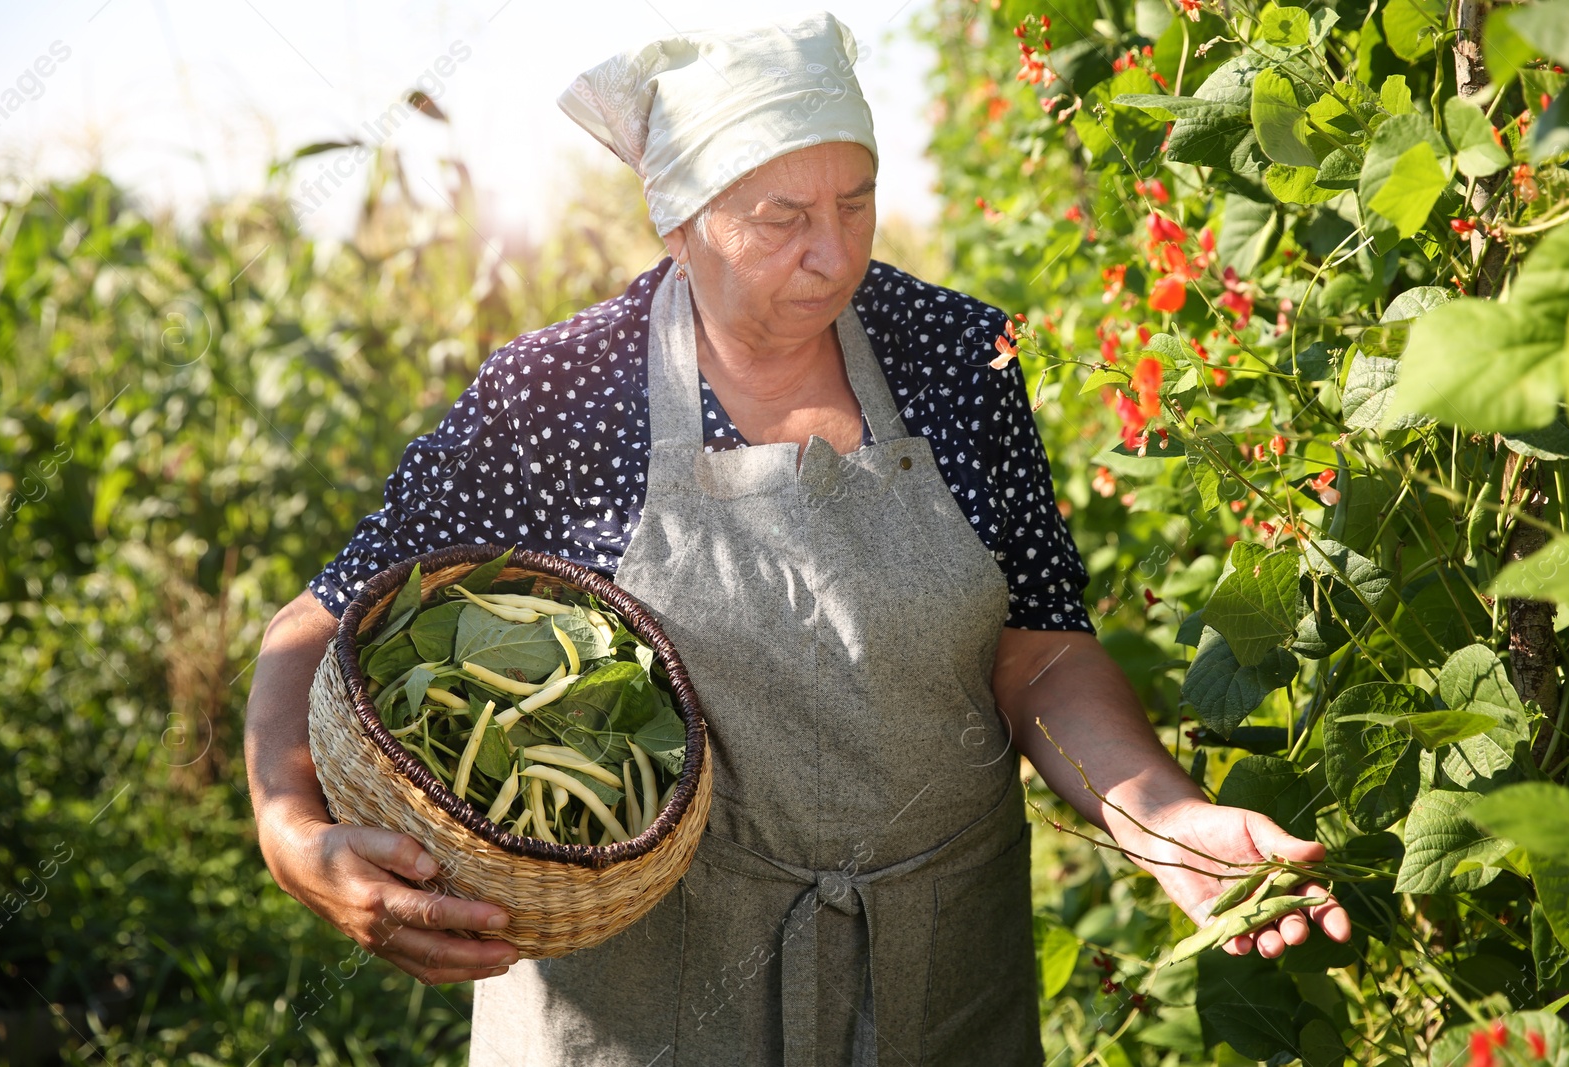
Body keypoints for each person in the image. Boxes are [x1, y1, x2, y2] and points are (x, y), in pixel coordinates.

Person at [244, 11, 1350, 1066]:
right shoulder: (561, 392)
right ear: (677, 219)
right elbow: (322, 616)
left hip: (935, 978)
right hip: (647, 1006)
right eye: (779, 220)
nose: (833, 256)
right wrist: (295, 839)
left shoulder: (956, 357)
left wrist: (1167, 821)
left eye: (856, 205)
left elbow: (1040, 646)